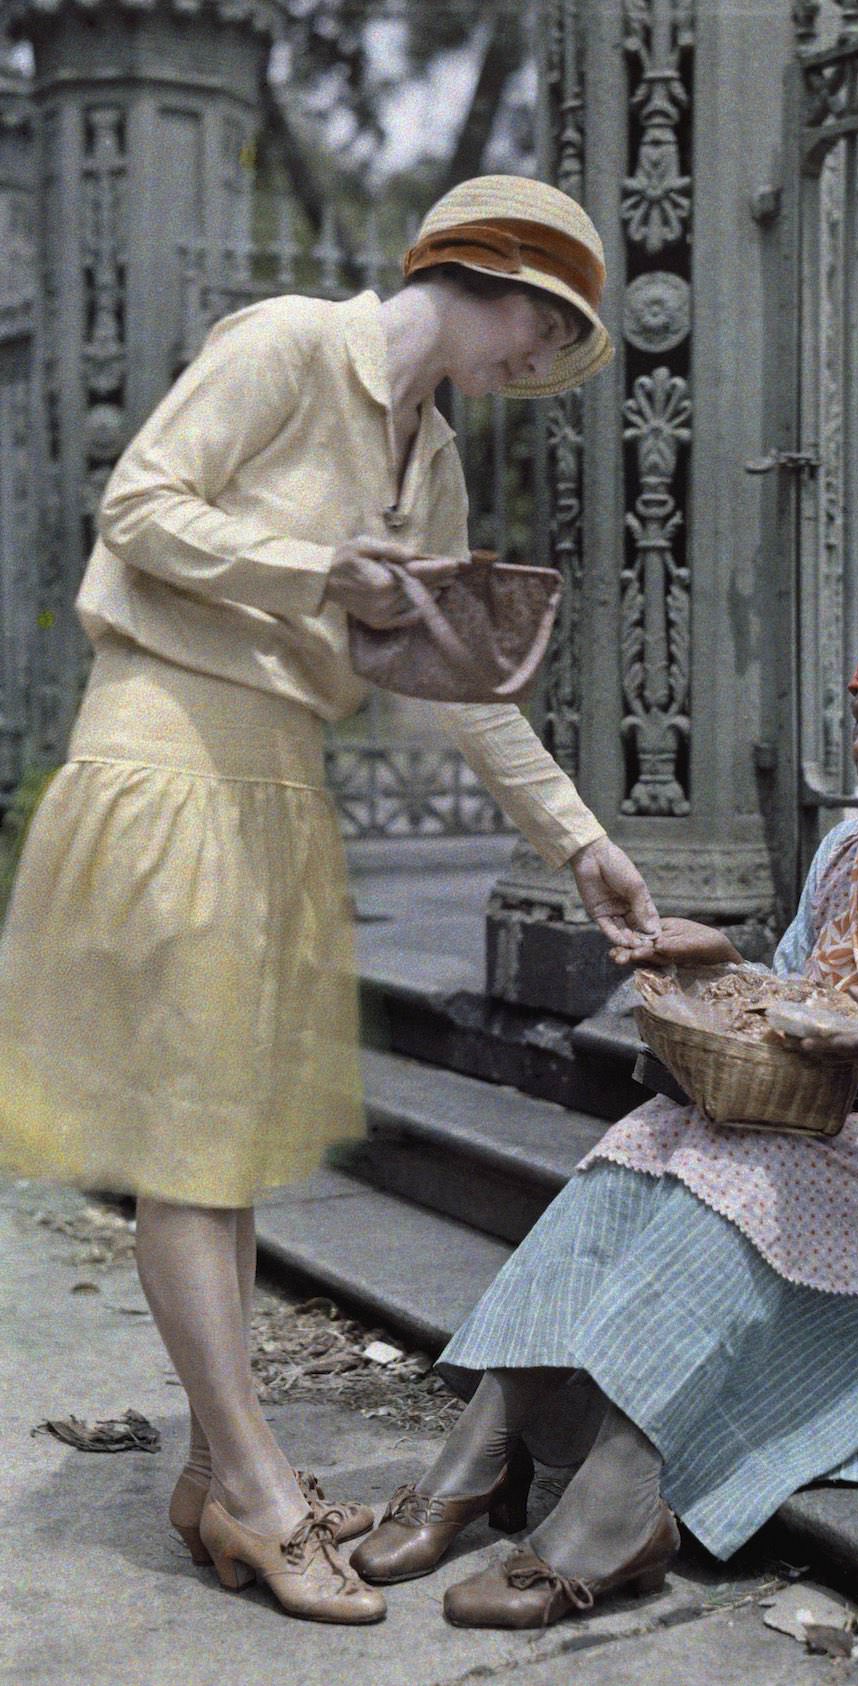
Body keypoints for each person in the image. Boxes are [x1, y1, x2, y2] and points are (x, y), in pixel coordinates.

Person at [0, 175, 659, 1624]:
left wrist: (580, 842)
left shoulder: (428, 464)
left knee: (228, 1150)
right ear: (507, 289)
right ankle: (247, 1485)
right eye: (541, 340)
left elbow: (462, 685)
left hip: (277, 784)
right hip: (171, 747)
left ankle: (228, 1478)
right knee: (191, 1145)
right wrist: (315, 566)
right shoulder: (289, 344)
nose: (532, 372)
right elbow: (140, 504)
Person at [349, 602, 858, 1630]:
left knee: (750, 1179)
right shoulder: (857, 851)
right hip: (854, 1116)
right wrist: (726, 963)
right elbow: (804, 997)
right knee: (641, 1148)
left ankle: (621, 1498)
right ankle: (487, 1445)